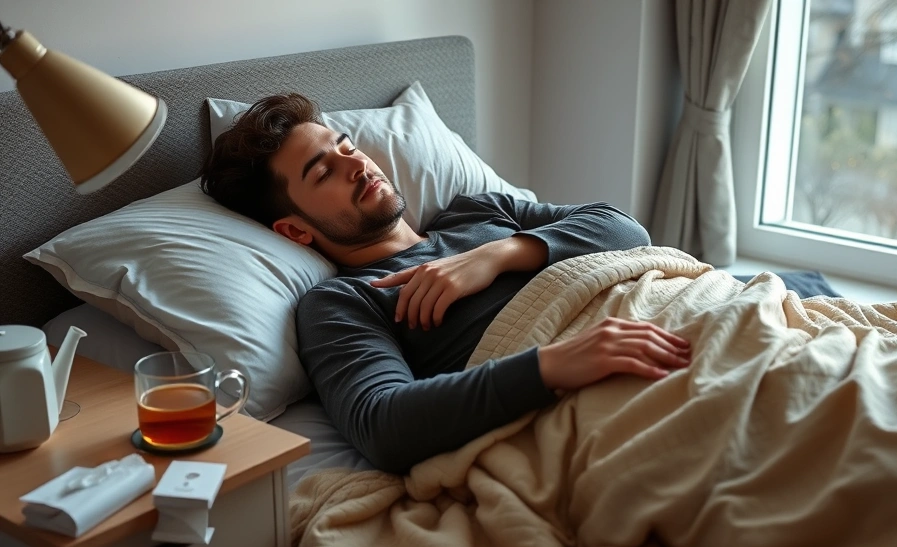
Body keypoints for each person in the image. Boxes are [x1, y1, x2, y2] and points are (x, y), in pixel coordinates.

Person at [201, 94, 692, 473]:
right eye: (325, 171)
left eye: (346, 147)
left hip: (676, 310)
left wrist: (499, 254)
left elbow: (627, 231)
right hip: (607, 374)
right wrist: (553, 364)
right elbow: (383, 424)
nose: (357, 164)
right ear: (295, 229)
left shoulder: (478, 211)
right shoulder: (344, 302)